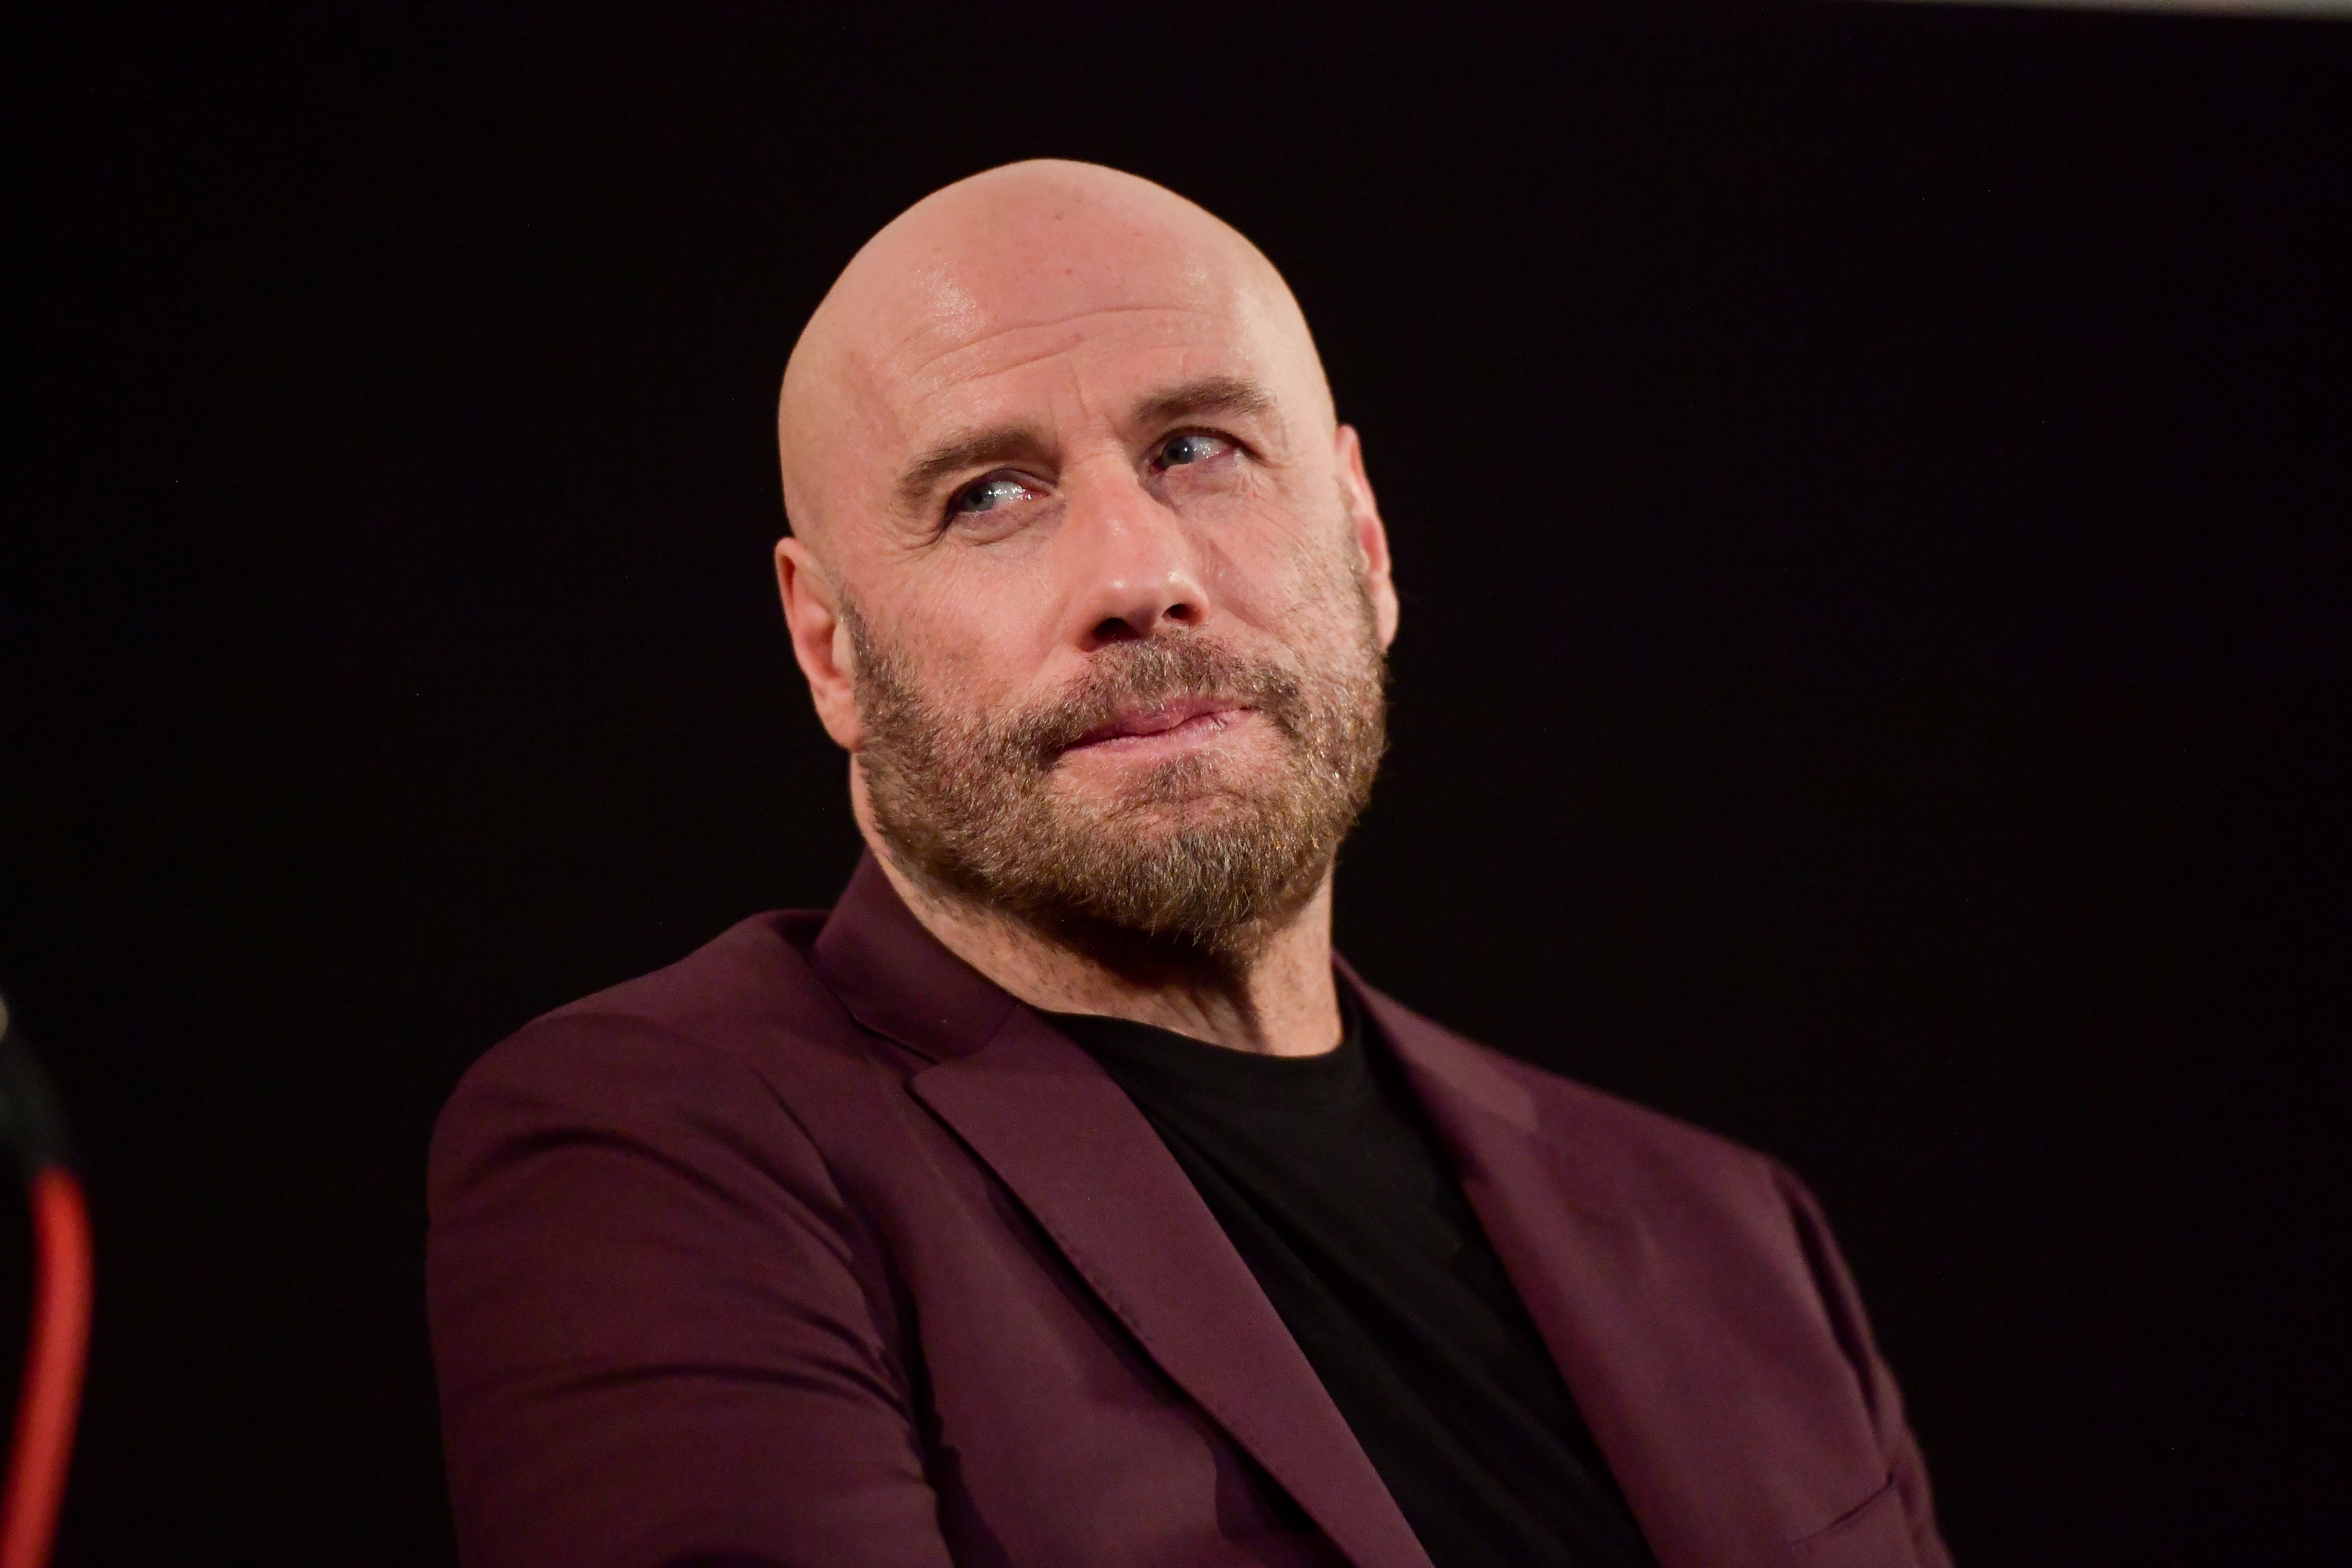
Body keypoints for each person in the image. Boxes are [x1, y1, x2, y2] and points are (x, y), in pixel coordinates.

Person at [427, 160, 1950, 1568]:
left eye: (1200, 449)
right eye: (991, 496)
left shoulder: (1735, 1233)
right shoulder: (665, 1148)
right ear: (828, 647)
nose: (1139, 577)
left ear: (1360, 536)